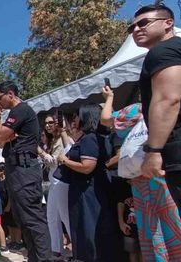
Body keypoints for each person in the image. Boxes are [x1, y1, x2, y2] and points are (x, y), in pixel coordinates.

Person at [101, 89, 181, 262]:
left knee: (150, 232)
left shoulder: (137, 110)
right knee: (174, 227)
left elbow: (105, 118)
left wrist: (109, 98)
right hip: (165, 173)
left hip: (140, 179)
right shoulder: (172, 103)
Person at [130, 4, 181, 215]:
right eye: (131, 27)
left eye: (143, 23)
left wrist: (154, 151)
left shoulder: (163, 50)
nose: (135, 30)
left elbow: (168, 99)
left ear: (168, 23)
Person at [0, 81, 52, 262]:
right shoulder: (15, 114)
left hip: (24, 170)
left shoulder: (20, 110)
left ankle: (44, 258)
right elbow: (3, 140)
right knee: (24, 220)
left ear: (10, 94)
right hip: (17, 169)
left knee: (33, 218)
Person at [56, 104, 118, 262]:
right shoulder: (87, 137)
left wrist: (65, 160)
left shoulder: (90, 139)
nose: (75, 120)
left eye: (77, 116)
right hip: (83, 190)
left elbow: (87, 167)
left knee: (90, 233)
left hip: (88, 193)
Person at [39, 114, 73, 259]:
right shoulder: (51, 141)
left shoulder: (64, 138)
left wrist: (42, 153)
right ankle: (56, 250)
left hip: (63, 180)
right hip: (53, 182)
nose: (48, 125)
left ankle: (77, 249)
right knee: (51, 217)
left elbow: (68, 152)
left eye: (51, 122)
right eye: (46, 123)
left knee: (65, 216)